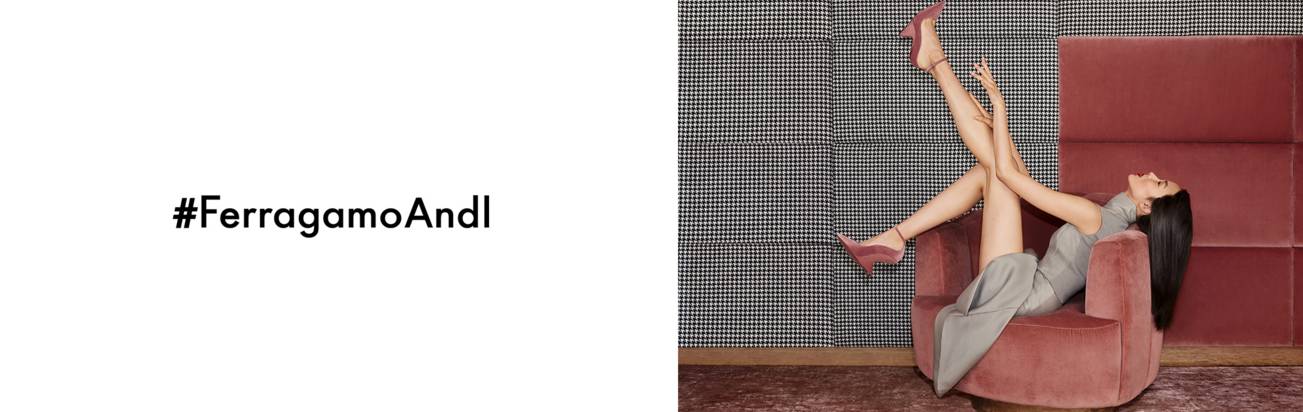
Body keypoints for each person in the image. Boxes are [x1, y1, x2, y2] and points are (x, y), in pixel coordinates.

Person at [832, 0, 1194, 397]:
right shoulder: (1106, 218)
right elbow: (1022, 180)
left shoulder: (1094, 217)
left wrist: (1001, 108)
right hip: (1026, 284)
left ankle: (934, 61)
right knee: (987, 166)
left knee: (994, 168)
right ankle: (894, 236)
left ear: (1146, 207)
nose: (1152, 175)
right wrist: (998, 127)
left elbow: (1010, 178)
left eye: (1159, 184)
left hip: (1019, 294)